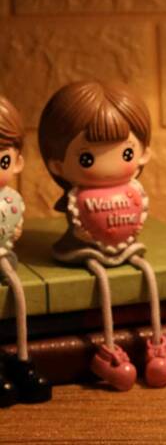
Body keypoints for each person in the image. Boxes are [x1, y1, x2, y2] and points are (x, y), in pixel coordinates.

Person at [38, 81, 166, 390]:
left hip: (127, 246)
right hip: (82, 250)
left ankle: (157, 344)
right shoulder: (78, 200)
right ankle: (108, 352)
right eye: (87, 159)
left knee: (147, 274)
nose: (110, 168)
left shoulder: (133, 193)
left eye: (126, 152)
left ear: (143, 153)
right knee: (100, 278)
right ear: (57, 164)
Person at [0, 96, 52, 405]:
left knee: (18, 295)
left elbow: (14, 226)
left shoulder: (12, 199)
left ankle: (22, 361)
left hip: (5, 257)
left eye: (2, 161)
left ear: (17, 161)